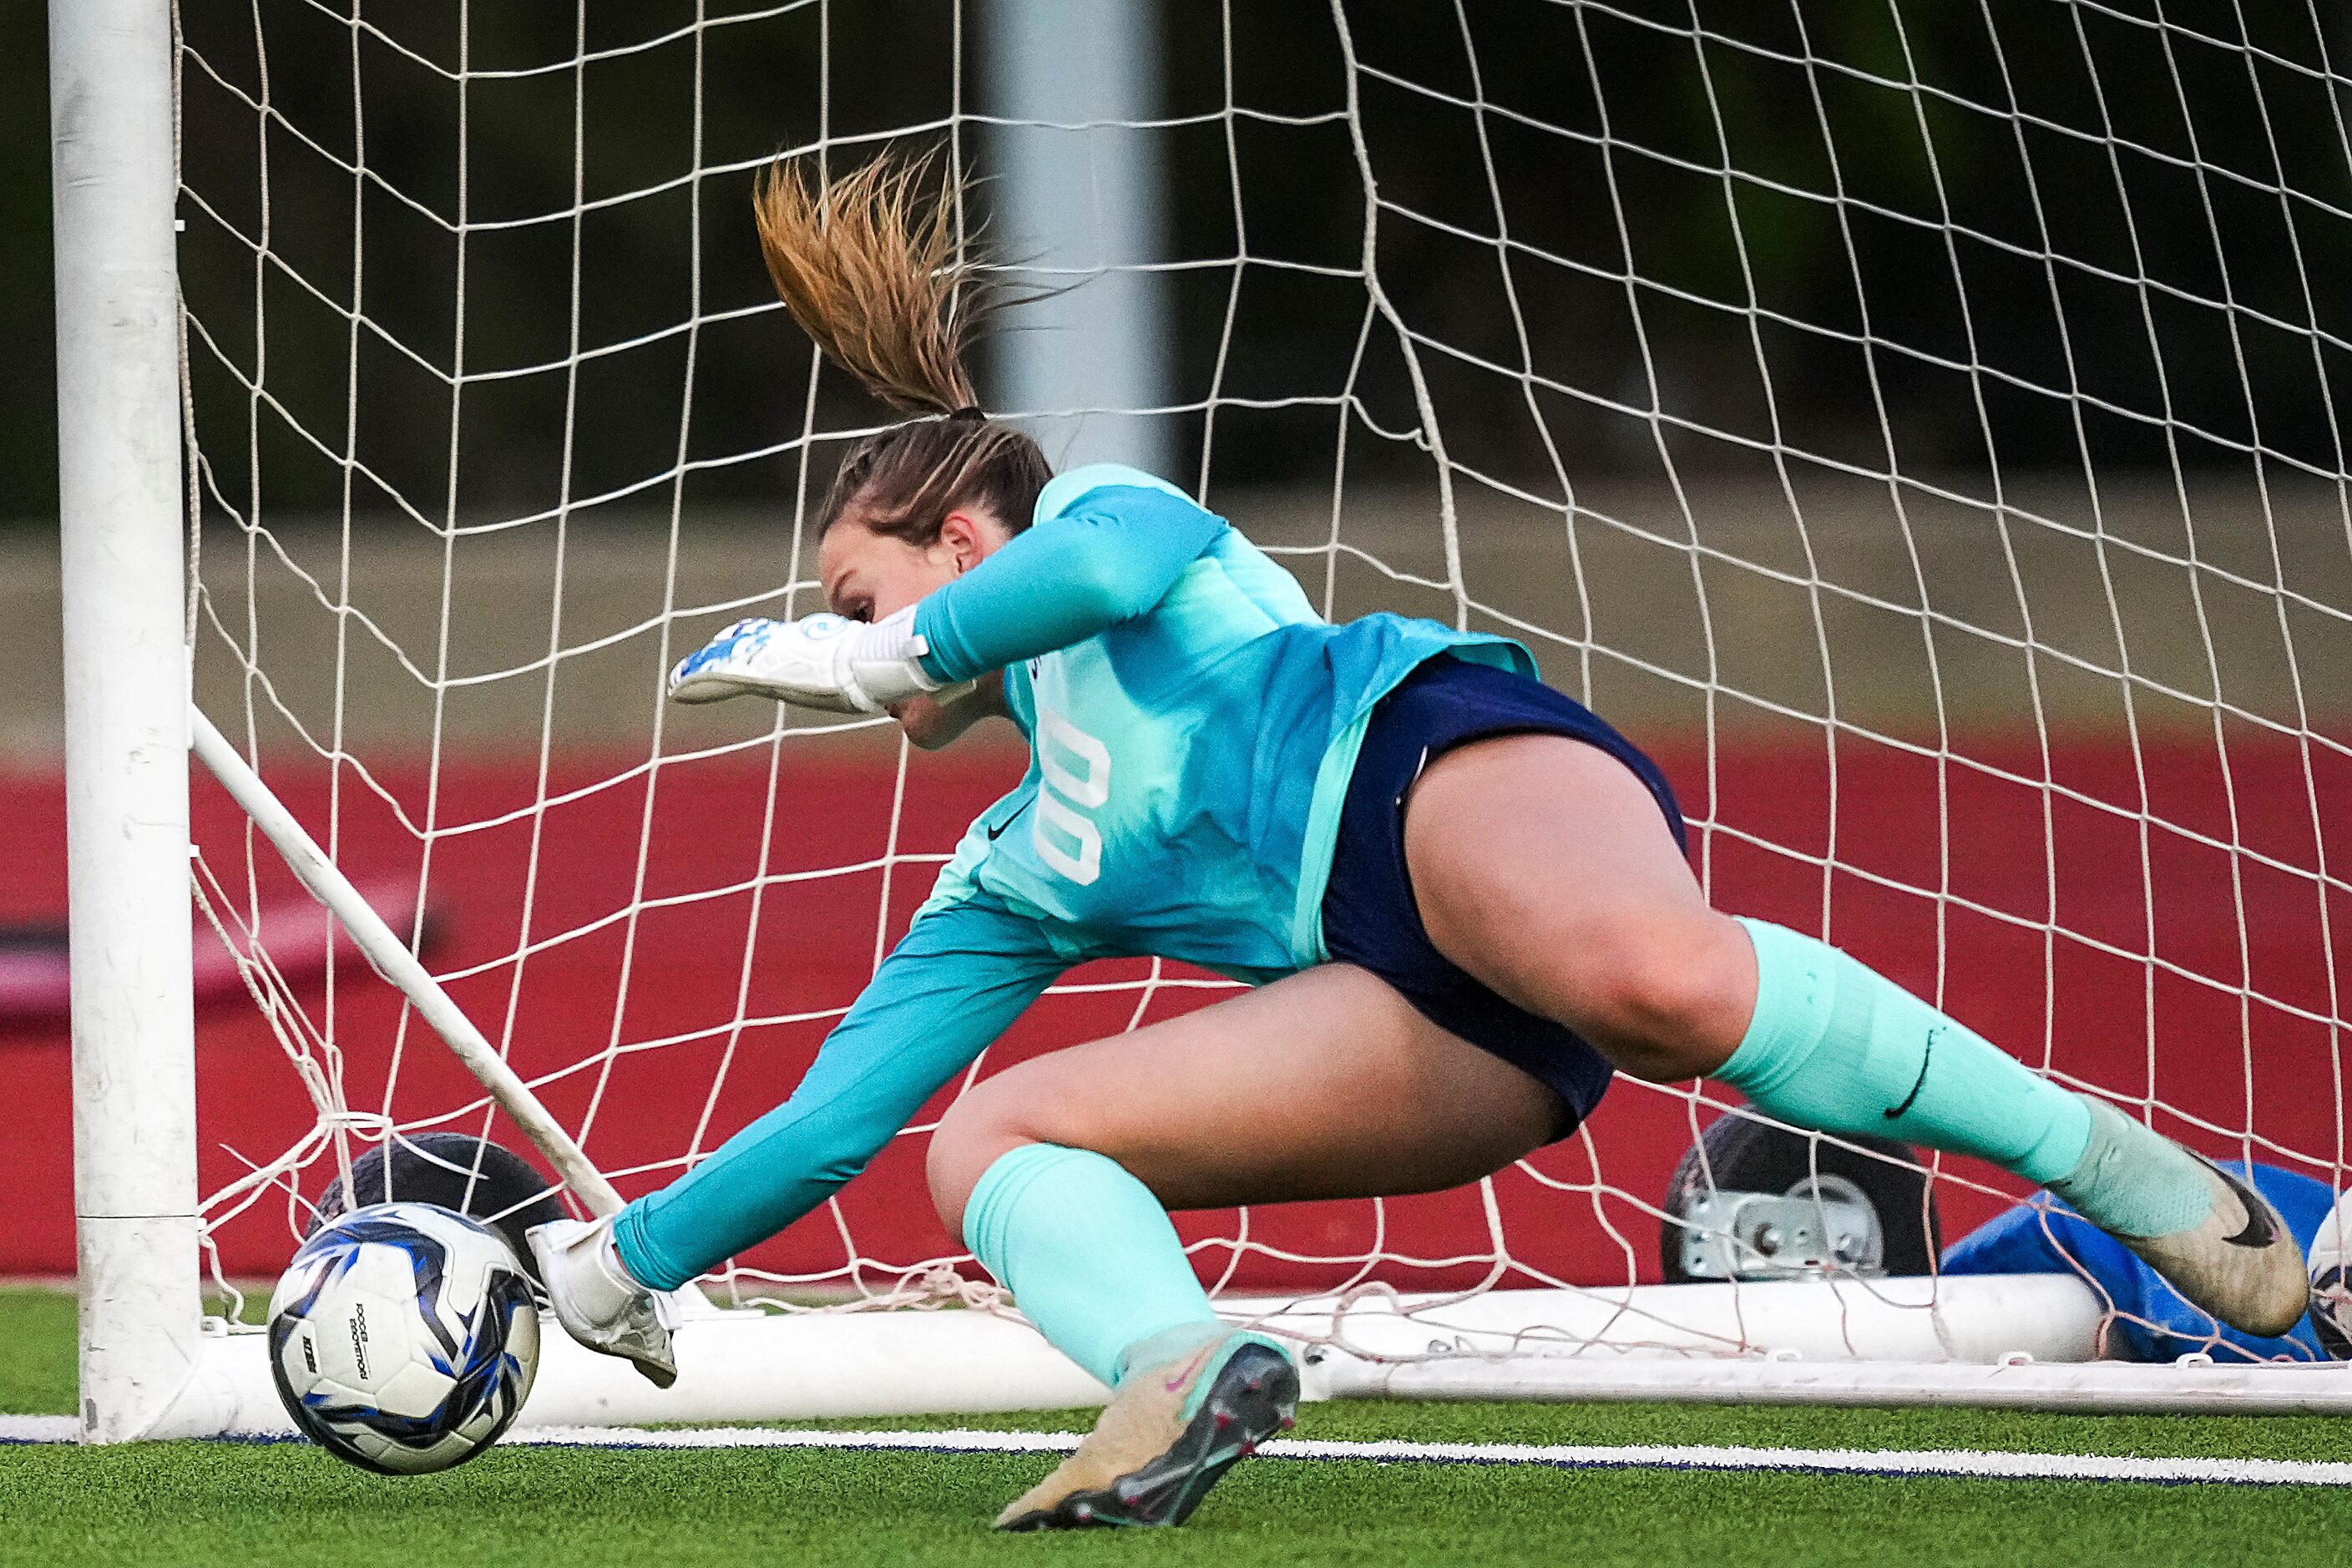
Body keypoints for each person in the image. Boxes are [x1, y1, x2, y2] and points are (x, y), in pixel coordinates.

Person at [528, 152, 2309, 1530]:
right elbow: (837, 1115)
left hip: (1427, 770)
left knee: (1655, 988)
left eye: (856, 588)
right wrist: (617, 1270)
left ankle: (2139, 1185)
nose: (846, 652)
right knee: (983, 1138)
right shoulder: (1014, 863)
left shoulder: (1095, 528)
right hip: (1409, 1000)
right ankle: (1176, 1365)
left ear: (956, 533)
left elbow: (1099, 570)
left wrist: (891, 648)